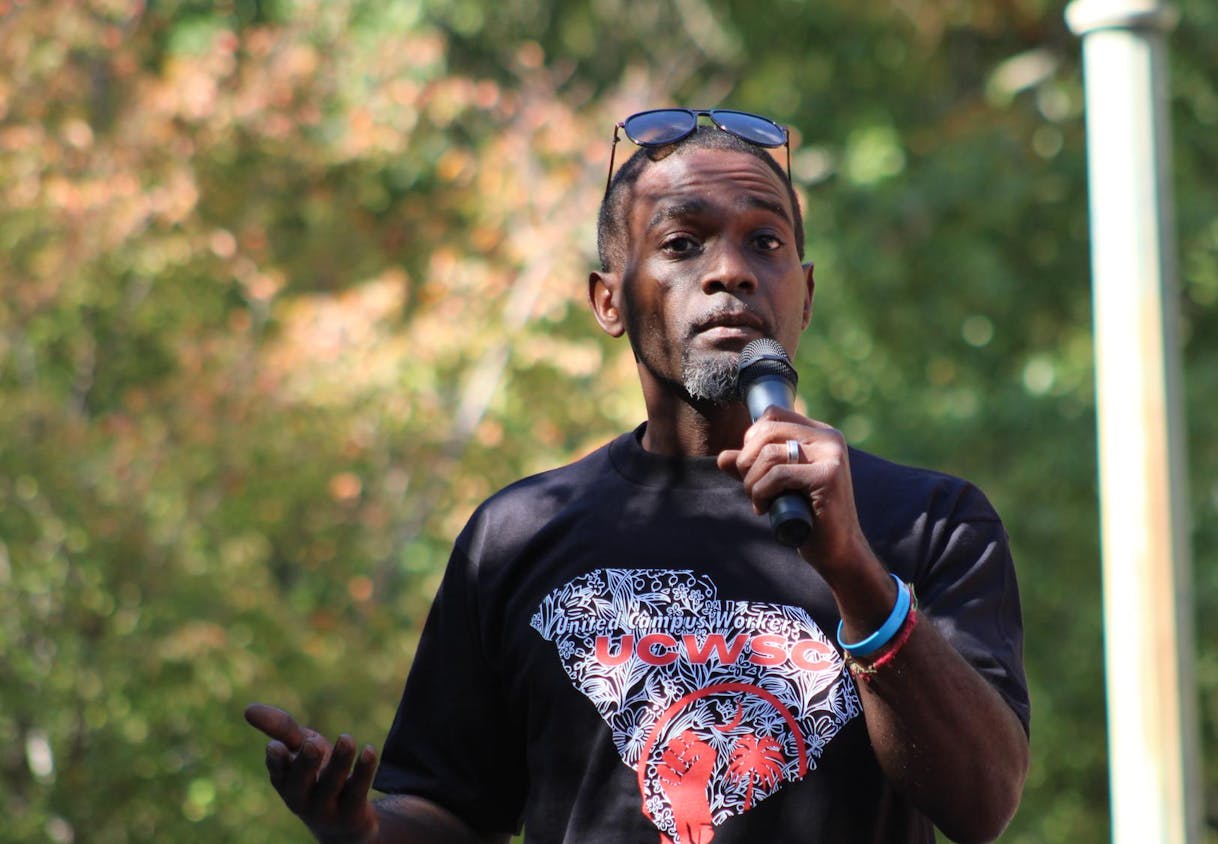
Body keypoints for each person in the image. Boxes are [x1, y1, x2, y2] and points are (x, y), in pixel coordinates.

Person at [246, 108, 1029, 844]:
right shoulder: (520, 532)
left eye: (766, 242)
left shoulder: (932, 520)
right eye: (683, 244)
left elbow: (981, 803)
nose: (731, 272)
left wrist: (854, 568)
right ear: (608, 299)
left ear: (807, 294)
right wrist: (366, 832)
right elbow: (452, 809)